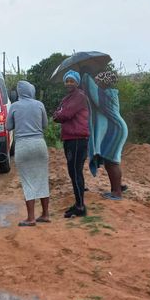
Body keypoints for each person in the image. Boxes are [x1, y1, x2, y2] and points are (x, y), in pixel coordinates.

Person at [6, 81, 50, 226]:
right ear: (32, 90)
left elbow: (8, 126)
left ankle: (31, 218)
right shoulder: (39, 105)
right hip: (39, 144)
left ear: (19, 92)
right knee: (42, 178)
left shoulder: (14, 106)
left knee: (28, 181)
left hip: (23, 146)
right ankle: (45, 214)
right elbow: (45, 125)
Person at [82, 70, 128, 200]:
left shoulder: (106, 96)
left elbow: (91, 90)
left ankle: (117, 192)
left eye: (98, 81)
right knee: (110, 161)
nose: (96, 82)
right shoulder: (107, 94)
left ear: (104, 82)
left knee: (112, 161)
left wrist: (85, 75)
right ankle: (116, 188)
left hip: (116, 130)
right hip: (115, 129)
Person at [52, 70, 90, 218]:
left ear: (77, 82)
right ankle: (78, 203)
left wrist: (59, 114)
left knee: (75, 172)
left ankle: (80, 207)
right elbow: (58, 113)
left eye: (72, 81)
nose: (69, 83)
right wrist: (59, 113)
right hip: (71, 138)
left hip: (77, 139)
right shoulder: (68, 97)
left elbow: (63, 114)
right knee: (74, 172)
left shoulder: (79, 96)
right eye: (67, 81)